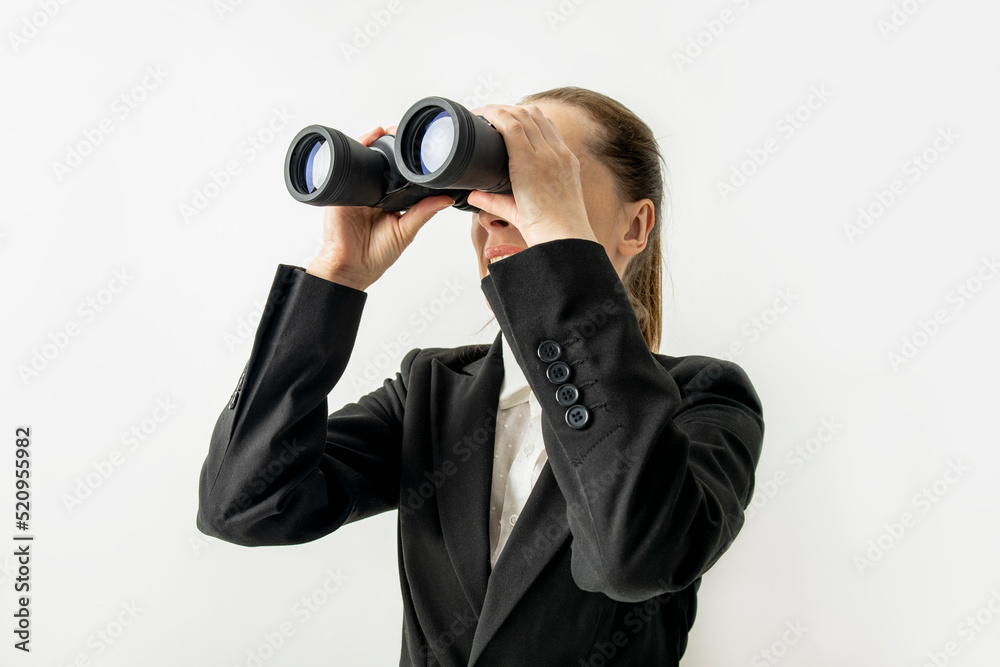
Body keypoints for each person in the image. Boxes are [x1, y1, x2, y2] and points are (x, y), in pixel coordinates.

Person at [196, 86, 765, 666]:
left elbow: (633, 559)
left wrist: (558, 247)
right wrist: (334, 278)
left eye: (546, 177)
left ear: (635, 226)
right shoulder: (433, 388)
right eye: (494, 179)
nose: (498, 208)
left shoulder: (703, 399)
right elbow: (243, 504)